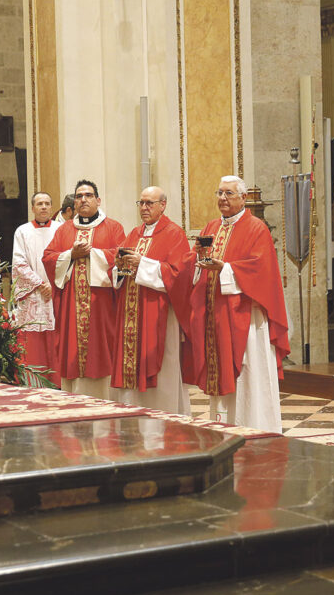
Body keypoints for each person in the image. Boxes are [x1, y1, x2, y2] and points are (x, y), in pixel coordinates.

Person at [185, 176, 290, 434]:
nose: (223, 198)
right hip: (216, 316)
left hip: (246, 317)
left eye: (229, 193)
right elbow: (197, 268)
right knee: (220, 375)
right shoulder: (211, 226)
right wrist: (198, 254)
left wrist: (227, 269)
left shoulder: (256, 228)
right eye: (219, 193)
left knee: (248, 375)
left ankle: (256, 426)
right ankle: (223, 427)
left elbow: (261, 270)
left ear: (243, 198)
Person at [110, 186, 192, 413]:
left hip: (158, 314)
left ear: (163, 206)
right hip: (131, 314)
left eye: (150, 203)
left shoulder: (174, 233)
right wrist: (118, 267)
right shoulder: (134, 234)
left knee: (162, 369)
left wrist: (142, 263)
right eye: (141, 203)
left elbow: (179, 274)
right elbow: (120, 273)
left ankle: (163, 420)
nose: (144, 208)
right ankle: (133, 415)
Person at [42, 180, 125, 398]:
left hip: (101, 305)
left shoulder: (113, 227)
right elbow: (48, 258)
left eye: (88, 195)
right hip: (72, 306)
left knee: (102, 349)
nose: (83, 200)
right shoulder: (65, 230)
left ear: (98, 200)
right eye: (79, 196)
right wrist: (70, 255)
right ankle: (74, 399)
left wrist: (92, 254)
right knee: (73, 351)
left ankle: (108, 399)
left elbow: (121, 257)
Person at [11, 191, 62, 386]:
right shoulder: (22, 231)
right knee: (33, 340)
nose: (43, 207)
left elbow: (66, 258)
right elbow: (19, 263)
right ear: (32, 208)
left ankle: (58, 381)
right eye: (39, 204)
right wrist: (40, 284)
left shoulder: (61, 229)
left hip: (56, 290)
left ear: (51, 207)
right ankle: (34, 381)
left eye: (47, 203)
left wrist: (53, 284)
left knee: (55, 335)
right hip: (34, 293)